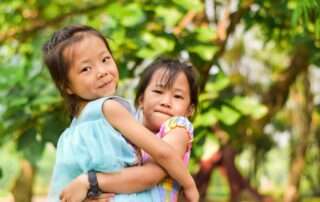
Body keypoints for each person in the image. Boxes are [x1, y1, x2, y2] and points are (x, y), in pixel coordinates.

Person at [43, 25, 198, 202]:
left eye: (105, 59)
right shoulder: (110, 108)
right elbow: (163, 153)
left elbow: (62, 188)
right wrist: (189, 184)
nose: (102, 72)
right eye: (86, 69)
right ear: (66, 86)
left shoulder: (70, 134)